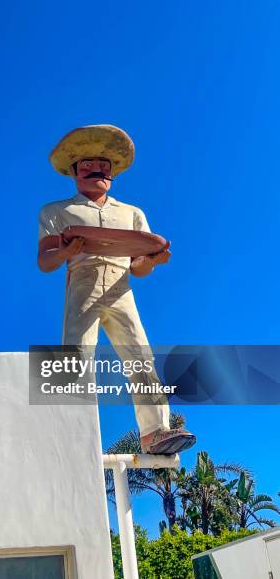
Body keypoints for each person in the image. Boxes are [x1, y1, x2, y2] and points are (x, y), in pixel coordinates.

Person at [37, 124, 196, 454]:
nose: (98, 170)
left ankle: (155, 432)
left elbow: (139, 267)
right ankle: (71, 430)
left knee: (139, 353)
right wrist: (67, 251)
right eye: (88, 163)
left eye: (105, 164)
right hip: (83, 282)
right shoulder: (56, 211)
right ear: (74, 170)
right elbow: (45, 260)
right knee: (76, 353)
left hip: (121, 287)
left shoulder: (132, 213)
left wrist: (152, 259)